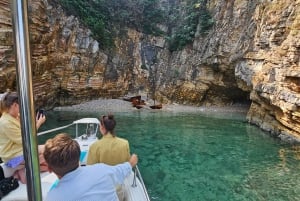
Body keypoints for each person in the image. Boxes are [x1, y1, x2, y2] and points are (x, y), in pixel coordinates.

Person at [43, 133, 138, 201]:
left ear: (49, 169)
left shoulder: (53, 197)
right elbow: (123, 169)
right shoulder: (101, 170)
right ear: (78, 157)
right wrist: (131, 162)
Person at [0, 91, 47, 183]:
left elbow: (27, 130)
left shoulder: (16, 116)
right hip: (12, 159)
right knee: (50, 151)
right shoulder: (5, 123)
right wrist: (38, 124)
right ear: (15, 105)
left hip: (21, 152)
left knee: (47, 161)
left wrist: (35, 121)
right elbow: (25, 140)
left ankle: (21, 171)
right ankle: (23, 171)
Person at [87, 114, 131, 201]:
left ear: (102, 127)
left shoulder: (94, 146)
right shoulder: (125, 143)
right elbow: (127, 164)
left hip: (102, 192)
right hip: (119, 191)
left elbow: (90, 171)